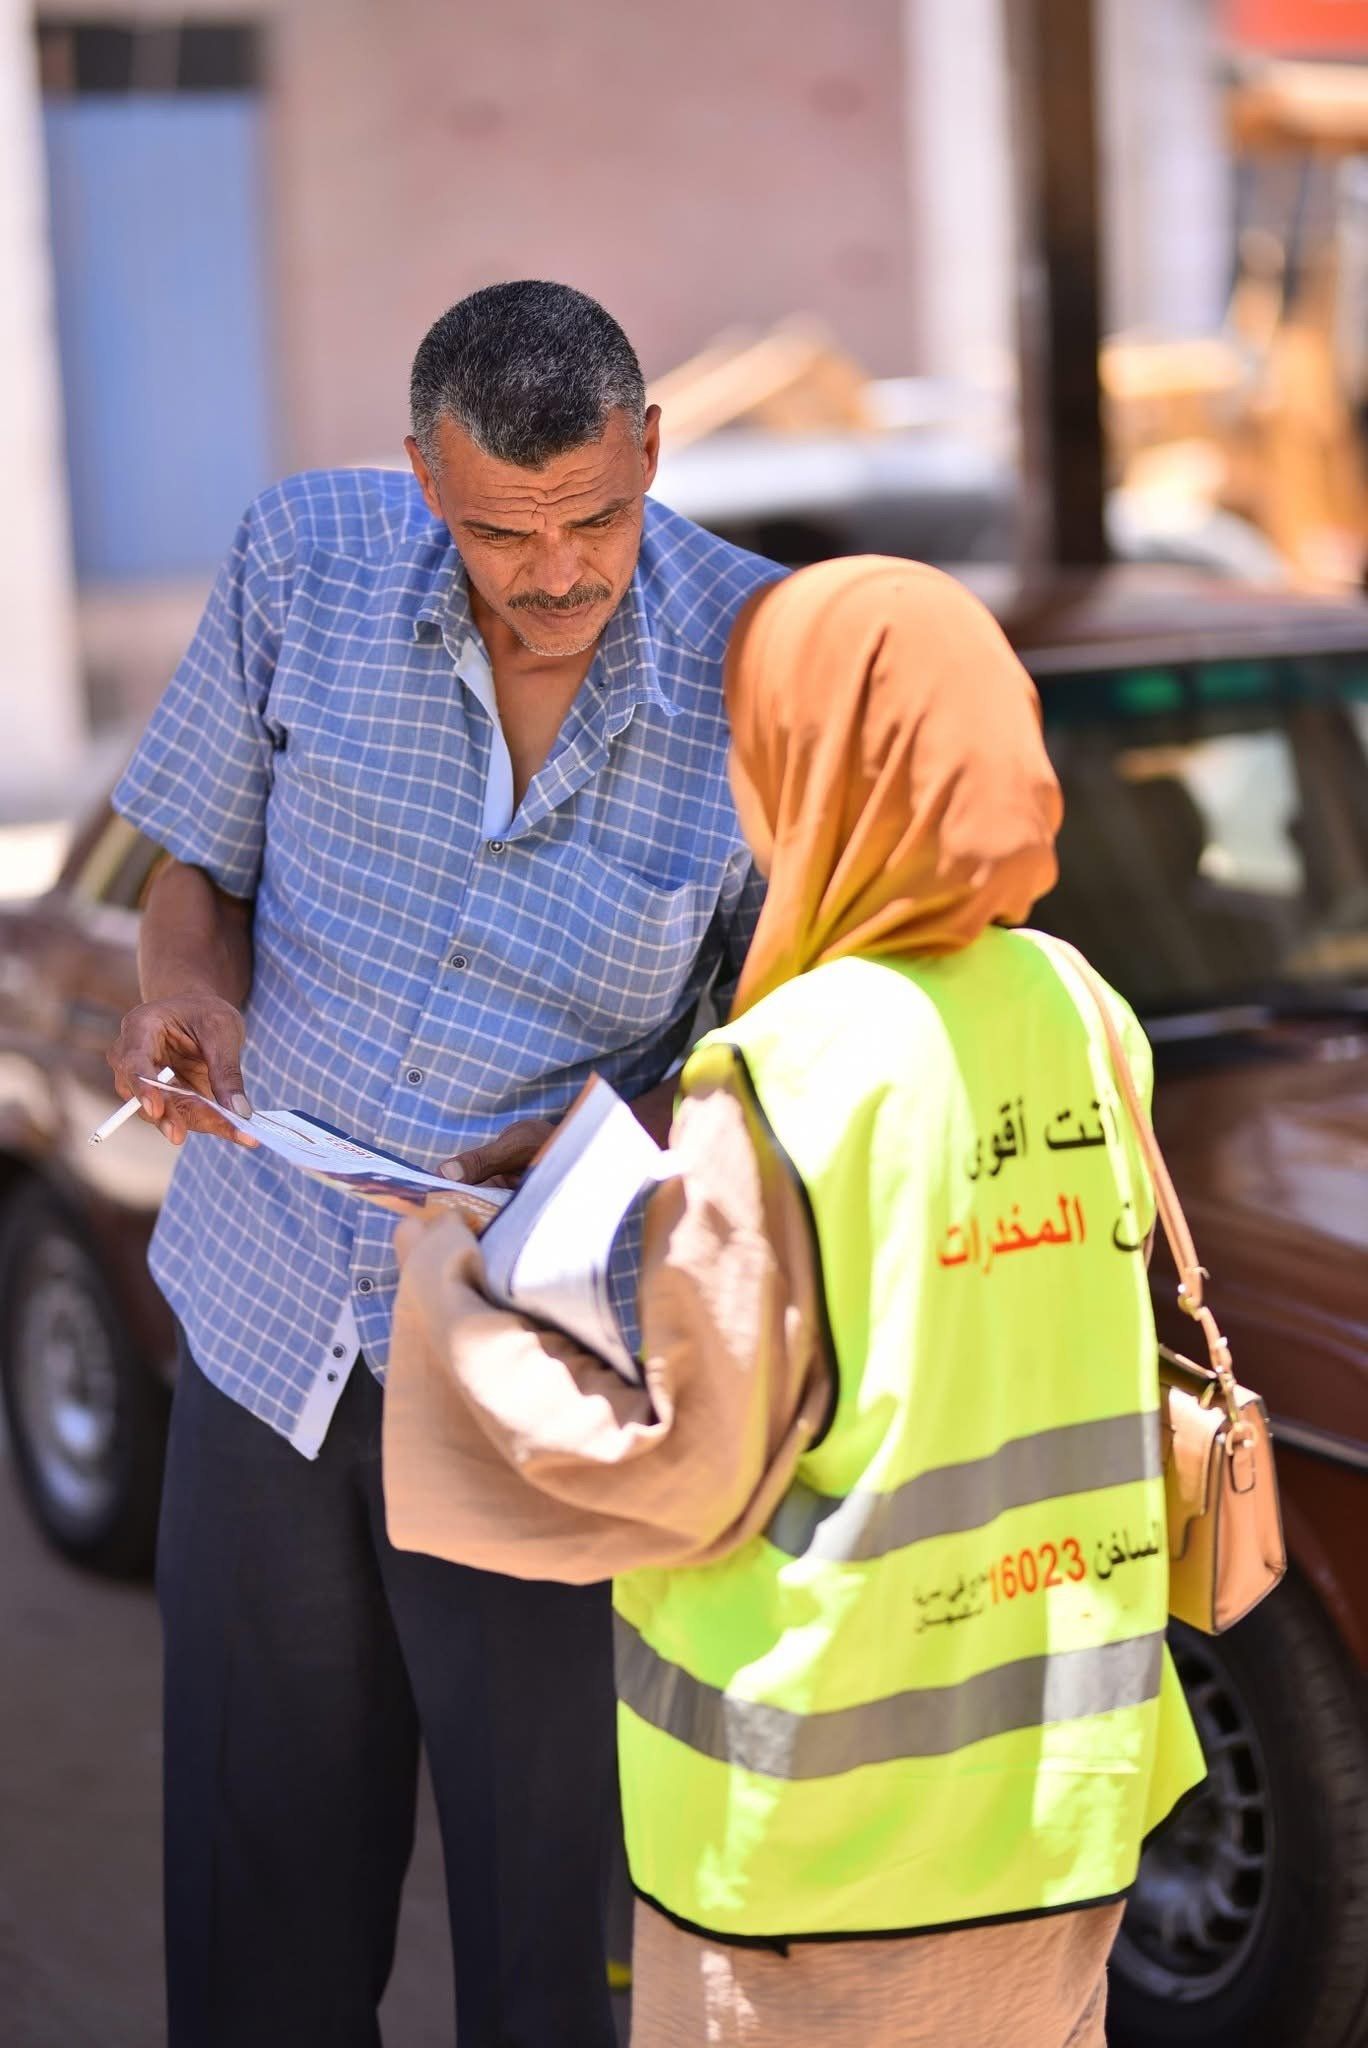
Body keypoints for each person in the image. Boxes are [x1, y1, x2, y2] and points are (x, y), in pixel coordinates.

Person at [382, 557, 1208, 2048]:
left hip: (817, 1844)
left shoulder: (773, 1075)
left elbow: (684, 1472)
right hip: (1066, 1801)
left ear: (811, 764)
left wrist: (451, 1290)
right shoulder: (1083, 1009)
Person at [105, 280, 782, 2048]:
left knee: (553, 1922)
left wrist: (612, 1136)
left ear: (653, 449)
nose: (556, 572)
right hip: (268, 1334)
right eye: (500, 530)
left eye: (597, 519)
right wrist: (184, 987)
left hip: (540, 1369)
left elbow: (785, 1053)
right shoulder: (297, 563)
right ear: (421, 479)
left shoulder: (761, 665)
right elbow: (197, 861)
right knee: (260, 1905)